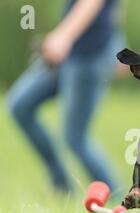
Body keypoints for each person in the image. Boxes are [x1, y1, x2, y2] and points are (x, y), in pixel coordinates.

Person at [7, 0, 125, 194]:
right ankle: (62, 183)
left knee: (75, 138)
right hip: (68, 55)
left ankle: (118, 195)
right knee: (20, 105)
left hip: (88, 57)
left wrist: (64, 36)